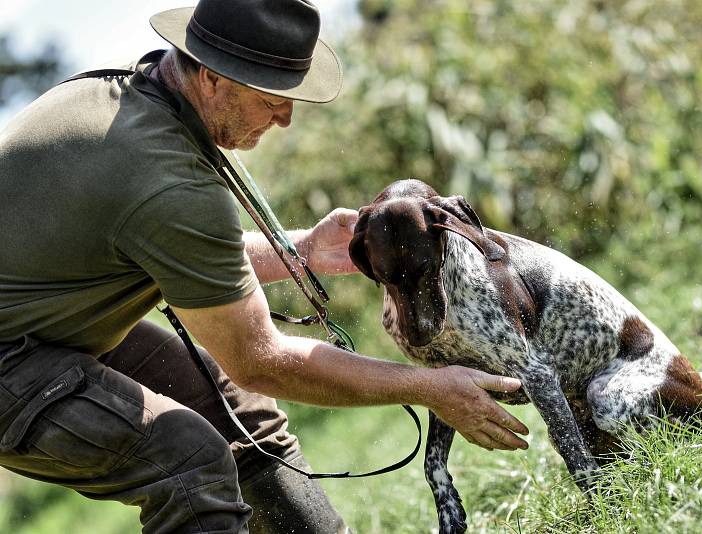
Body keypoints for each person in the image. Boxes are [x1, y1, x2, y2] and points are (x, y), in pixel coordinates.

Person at [0, 0, 529, 532]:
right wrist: (426, 385)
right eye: (271, 97)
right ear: (211, 77)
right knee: (187, 459)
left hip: (40, 327)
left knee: (237, 414)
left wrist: (300, 251)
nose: (286, 117)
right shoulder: (164, 175)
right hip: (12, 356)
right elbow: (260, 359)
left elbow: (161, 246)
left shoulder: (121, 97)